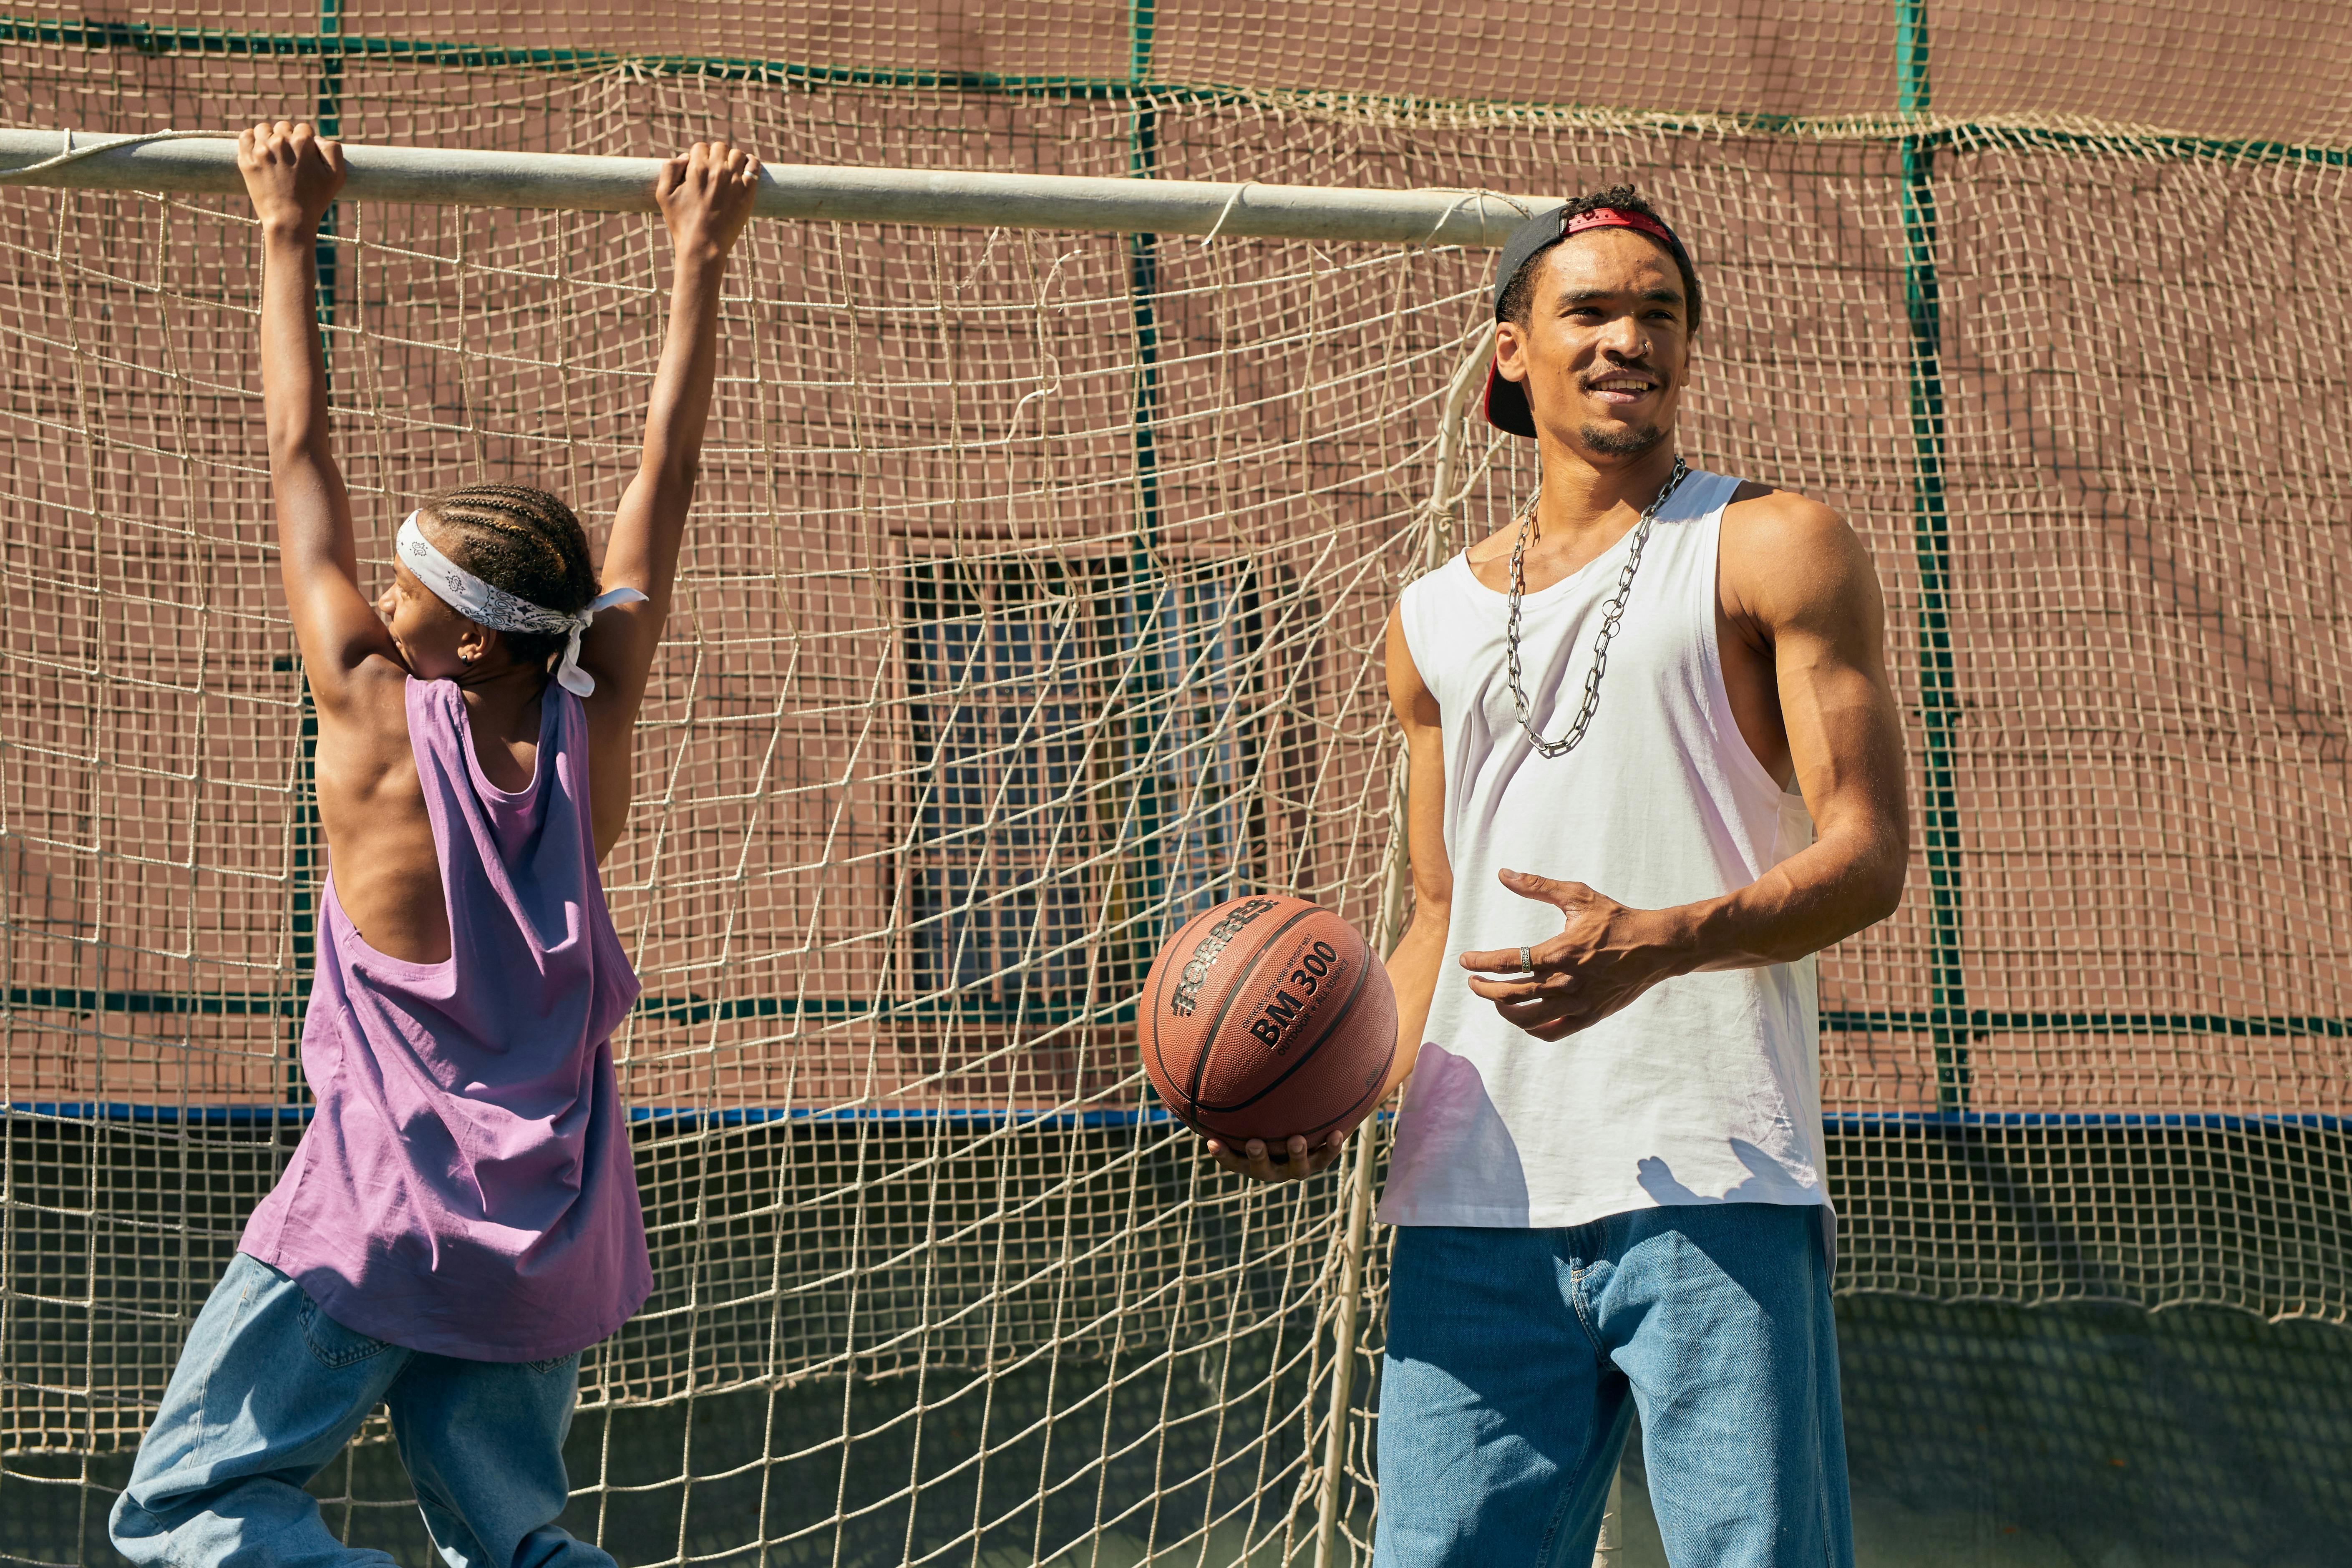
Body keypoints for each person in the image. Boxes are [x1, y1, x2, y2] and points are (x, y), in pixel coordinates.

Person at [1209, 187, 1909, 1567]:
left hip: (1715, 1180)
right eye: (1588, 309)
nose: (1627, 338)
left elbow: (1869, 858)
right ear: (1513, 350)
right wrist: (1331, 1091)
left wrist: (1665, 940)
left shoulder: (1773, 542)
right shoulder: (1429, 621)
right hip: (1474, 1195)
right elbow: (1432, 918)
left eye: (1660, 312)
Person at [108, 122, 761, 1567]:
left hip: (373, 1222)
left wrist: (286, 228)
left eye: (404, 585)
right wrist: (697, 258)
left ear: (461, 634)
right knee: (516, 1550)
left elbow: (296, 456)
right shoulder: (599, 723)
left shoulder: (370, 715)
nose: (377, 596)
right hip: (545, 1251)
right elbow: (670, 472)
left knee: (187, 1511)